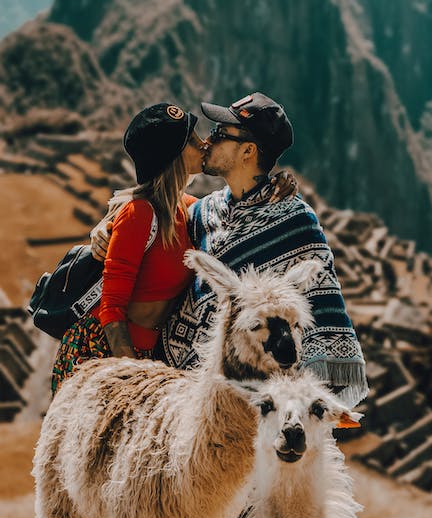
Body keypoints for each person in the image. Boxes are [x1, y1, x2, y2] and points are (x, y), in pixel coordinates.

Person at [93, 92, 368, 410]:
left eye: (220, 134)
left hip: (254, 396)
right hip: (178, 384)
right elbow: (148, 207)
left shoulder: (294, 220)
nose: (208, 141)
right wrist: (106, 225)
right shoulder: (203, 212)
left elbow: (322, 312)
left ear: (248, 151)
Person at [50, 102, 205, 394]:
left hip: (151, 358)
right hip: (100, 355)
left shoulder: (192, 210)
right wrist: (136, 378)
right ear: (172, 155)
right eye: (192, 141)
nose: (204, 143)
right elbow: (112, 308)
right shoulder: (139, 214)